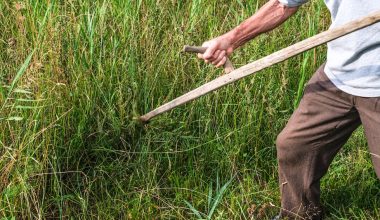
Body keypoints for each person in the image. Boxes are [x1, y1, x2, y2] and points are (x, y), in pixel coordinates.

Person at [197, 0, 380, 219]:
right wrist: (230, 39)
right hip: (338, 74)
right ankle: (299, 214)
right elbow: (283, 4)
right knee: (295, 145)